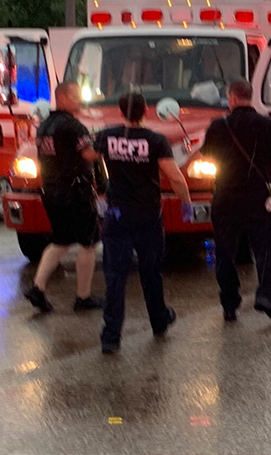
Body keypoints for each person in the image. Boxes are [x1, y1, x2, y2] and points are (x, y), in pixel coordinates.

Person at [93, 93, 192, 354]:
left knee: (115, 277)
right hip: (147, 215)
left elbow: (89, 156)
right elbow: (175, 178)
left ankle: (111, 337)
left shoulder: (106, 136)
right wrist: (186, 203)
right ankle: (159, 320)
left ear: (120, 111)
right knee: (151, 273)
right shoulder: (156, 140)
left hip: (115, 214)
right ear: (146, 111)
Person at [199, 80, 271, 321]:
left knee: (225, 250)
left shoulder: (218, 126)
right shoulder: (268, 125)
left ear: (231, 98)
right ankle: (265, 295)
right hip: (258, 197)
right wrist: (266, 164)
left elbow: (207, 157)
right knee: (266, 247)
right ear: (250, 97)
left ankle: (230, 303)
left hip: (226, 197)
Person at [23, 81, 104, 313]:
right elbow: (89, 153)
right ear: (63, 98)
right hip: (75, 192)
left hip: (51, 191)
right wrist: (106, 145)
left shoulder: (44, 126)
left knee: (60, 240)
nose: (79, 100)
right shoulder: (73, 127)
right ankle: (83, 297)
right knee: (89, 243)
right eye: (76, 95)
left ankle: (37, 288)